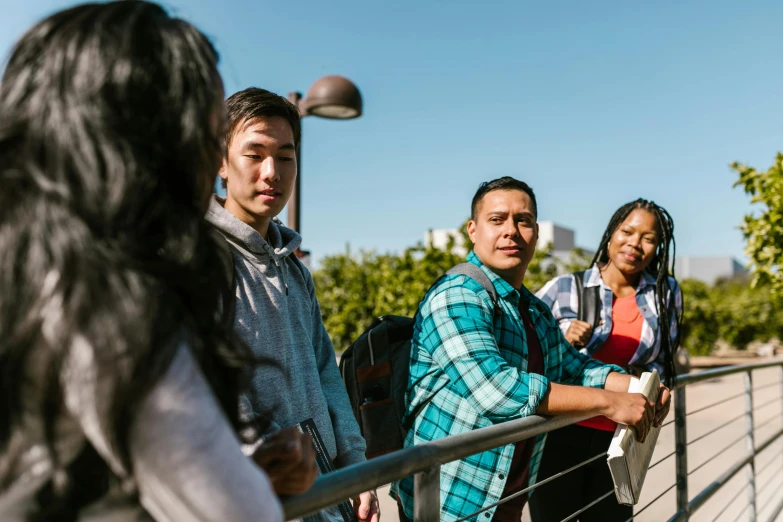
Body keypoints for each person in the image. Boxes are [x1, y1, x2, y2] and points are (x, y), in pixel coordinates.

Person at [0, 2, 315, 520]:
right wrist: (247, 475)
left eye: (285, 157)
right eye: (205, 134)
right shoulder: (110, 298)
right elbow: (231, 508)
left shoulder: (36, 265)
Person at [391, 177, 672, 522]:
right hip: (450, 498)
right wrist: (611, 403)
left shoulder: (533, 309)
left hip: (504, 498)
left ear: (536, 233)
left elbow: (574, 368)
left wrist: (638, 387)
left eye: (522, 220)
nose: (511, 230)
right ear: (473, 230)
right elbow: (496, 390)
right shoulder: (458, 295)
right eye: (497, 219)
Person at [207, 87, 380, 522]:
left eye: (285, 156)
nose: (272, 172)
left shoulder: (294, 268)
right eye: (255, 154)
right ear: (220, 163)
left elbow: (325, 367)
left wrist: (353, 464)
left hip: (323, 493)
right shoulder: (200, 262)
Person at [529, 199, 683, 522]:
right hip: (562, 430)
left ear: (658, 246)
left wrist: (659, 389)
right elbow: (527, 350)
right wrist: (563, 340)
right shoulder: (565, 288)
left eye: (648, 238)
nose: (635, 244)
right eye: (627, 231)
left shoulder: (665, 292)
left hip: (622, 437)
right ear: (611, 233)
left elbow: (663, 361)